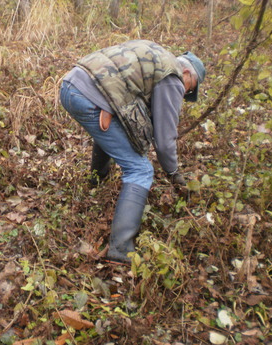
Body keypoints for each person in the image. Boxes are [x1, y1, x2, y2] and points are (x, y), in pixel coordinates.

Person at [60, 40, 205, 264]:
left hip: (71, 84)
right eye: (191, 87)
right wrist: (173, 172)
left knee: (114, 132)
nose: (186, 93)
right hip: (88, 96)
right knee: (141, 170)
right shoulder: (173, 78)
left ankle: (96, 183)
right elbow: (165, 141)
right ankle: (120, 248)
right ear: (186, 72)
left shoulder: (157, 55)